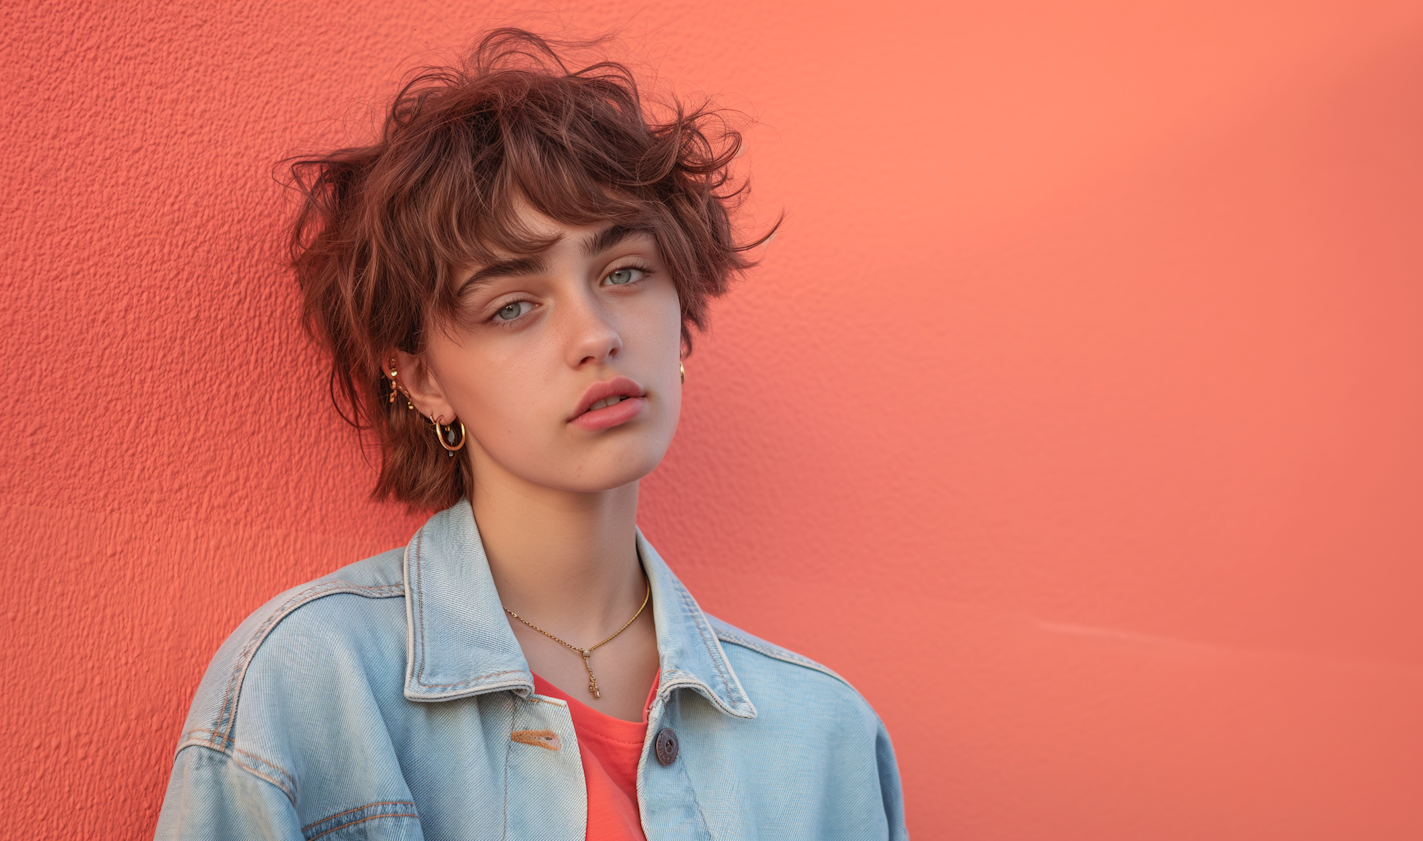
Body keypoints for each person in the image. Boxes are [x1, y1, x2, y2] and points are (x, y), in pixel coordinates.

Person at [155, 28, 906, 841]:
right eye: (512, 305)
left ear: (681, 313)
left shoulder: (823, 735)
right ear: (425, 379)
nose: (596, 333)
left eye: (625, 271)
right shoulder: (312, 686)